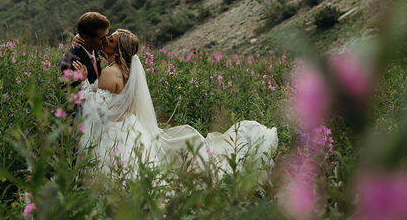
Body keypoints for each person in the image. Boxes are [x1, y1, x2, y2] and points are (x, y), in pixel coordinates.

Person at [78, 29, 278, 179]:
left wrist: (84, 82)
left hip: (115, 131)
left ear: (118, 48)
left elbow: (98, 110)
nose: (105, 41)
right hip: (130, 128)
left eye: (110, 40)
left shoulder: (109, 72)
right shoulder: (124, 70)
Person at [58, 12, 110, 88]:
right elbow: (69, 96)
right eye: (102, 38)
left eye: (106, 36)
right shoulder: (69, 64)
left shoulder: (94, 48)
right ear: (85, 37)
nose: (106, 41)